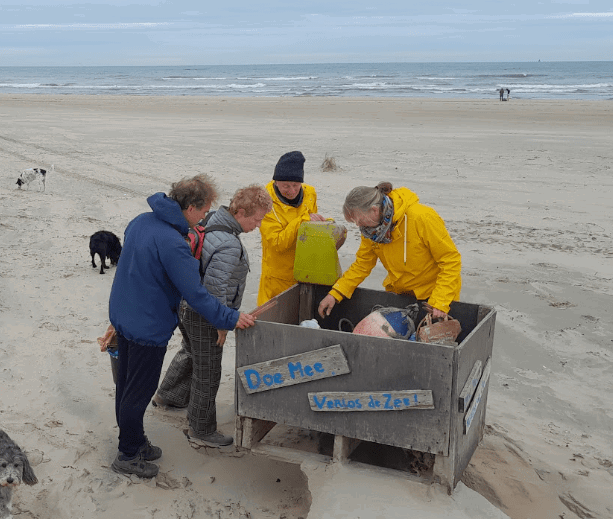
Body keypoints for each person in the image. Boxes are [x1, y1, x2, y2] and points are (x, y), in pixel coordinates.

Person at [105, 174, 257, 479]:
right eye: (203, 211)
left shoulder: (141, 221)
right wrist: (230, 317)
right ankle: (128, 454)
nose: (205, 217)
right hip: (147, 326)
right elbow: (197, 294)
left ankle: (134, 441)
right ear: (190, 207)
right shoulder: (173, 243)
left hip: (123, 314)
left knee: (125, 385)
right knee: (138, 392)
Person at [152, 185, 271, 449]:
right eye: (257, 219)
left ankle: (167, 395)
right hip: (205, 313)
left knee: (191, 351)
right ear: (240, 212)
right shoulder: (229, 243)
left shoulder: (211, 221)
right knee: (208, 370)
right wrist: (222, 323)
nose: (259, 225)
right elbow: (216, 289)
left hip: (185, 305)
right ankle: (201, 428)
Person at [317, 182, 462, 320]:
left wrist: (440, 302)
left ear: (374, 210)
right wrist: (335, 293)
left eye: (360, 220)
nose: (358, 226)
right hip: (401, 296)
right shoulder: (371, 231)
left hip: (434, 298)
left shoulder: (421, 217)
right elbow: (362, 265)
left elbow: (450, 260)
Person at [257, 151, 330, 306]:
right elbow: (277, 243)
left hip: (306, 275)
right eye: (286, 186)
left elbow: (311, 232)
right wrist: (302, 221)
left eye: (296, 185)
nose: (291, 191)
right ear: (276, 182)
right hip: (276, 280)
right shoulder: (264, 201)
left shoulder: (310, 193)